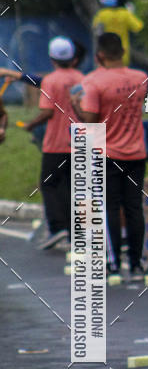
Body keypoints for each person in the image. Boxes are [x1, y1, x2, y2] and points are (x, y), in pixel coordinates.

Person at [71, 32, 148, 280]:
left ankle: (113, 263)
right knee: (135, 208)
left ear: (99, 55)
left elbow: (91, 121)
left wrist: (75, 105)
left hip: (107, 153)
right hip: (137, 152)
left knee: (111, 208)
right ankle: (136, 264)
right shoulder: (140, 78)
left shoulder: (92, 82)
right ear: (123, 52)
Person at [18, 37, 84, 249]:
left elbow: (47, 111)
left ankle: (58, 227)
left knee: (49, 183)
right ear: (73, 58)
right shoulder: (82, 78)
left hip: (57, 142)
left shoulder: (51, 81)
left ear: (52, 58)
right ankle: (76, 232)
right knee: (74, 186)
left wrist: (30, 124)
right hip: (81, 140)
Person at [92, 0, 144, 67]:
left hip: (105, 54)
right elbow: (138, 27)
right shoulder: (125, 14)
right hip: (122, 54)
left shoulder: (102, 14)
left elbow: (97, 31)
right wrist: (132, 13)